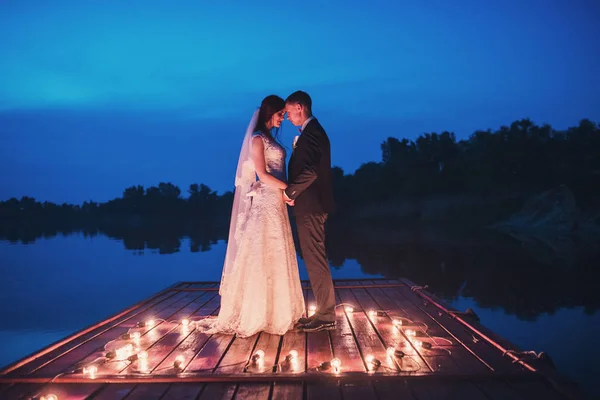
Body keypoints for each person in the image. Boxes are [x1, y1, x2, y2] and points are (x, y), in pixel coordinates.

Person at [198, 95, 305, 337]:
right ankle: (257, 312)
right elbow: (262, 175)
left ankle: (279, 310)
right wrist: (287, 189)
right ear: (271, 113)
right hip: (266, 199)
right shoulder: (257, 139)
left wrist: (287, 193)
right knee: (262, 251)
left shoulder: (270, 138)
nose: (283, 119)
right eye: (280, 114)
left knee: (278, 249)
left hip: (277, 201)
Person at [284, 91, 336, 332]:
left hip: (312, 205)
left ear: (299, 107)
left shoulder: (314, 132)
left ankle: (326, 315)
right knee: (314, 257)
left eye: (288, 111)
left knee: (315, 258)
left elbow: (313, 171)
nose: (286, 117)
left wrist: (291, 192)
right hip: (310, 205)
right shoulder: (310, 132)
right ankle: (323, 311)